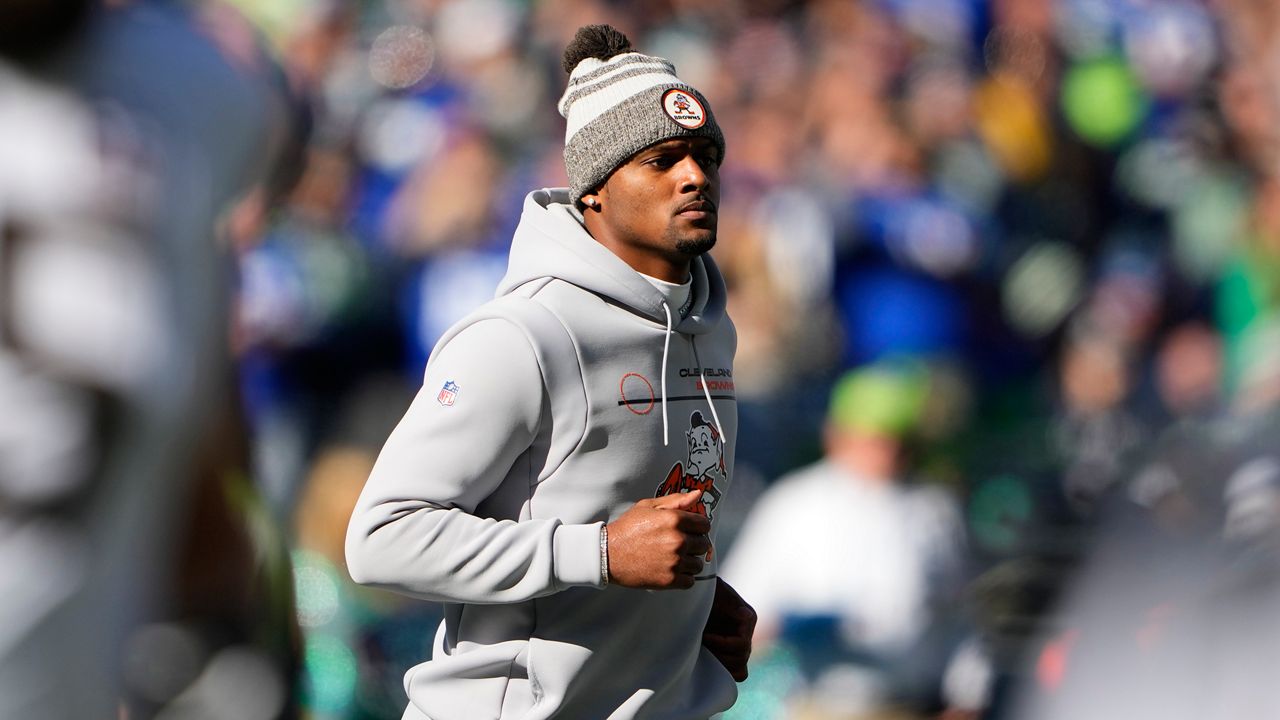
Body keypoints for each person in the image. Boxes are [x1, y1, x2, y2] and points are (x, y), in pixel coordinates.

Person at [345, 24, 755, 720]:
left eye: (705, 156)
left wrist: (696, 599)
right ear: (595, 188)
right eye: (661, 160)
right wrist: (598, 553)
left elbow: (622, 507)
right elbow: (381, 538)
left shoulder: (708, 324)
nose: (695, 176)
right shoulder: (521, 335)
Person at [722, 362, 981, 717]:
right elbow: (739, 611)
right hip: (817, 705)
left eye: (895, 440)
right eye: (873, 439)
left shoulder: (934, 512)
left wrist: (967, 698)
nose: (885, 452)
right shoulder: (794, 504)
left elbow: (961, 615)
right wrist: (786, 626)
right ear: (836, 435)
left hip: (908, 705)